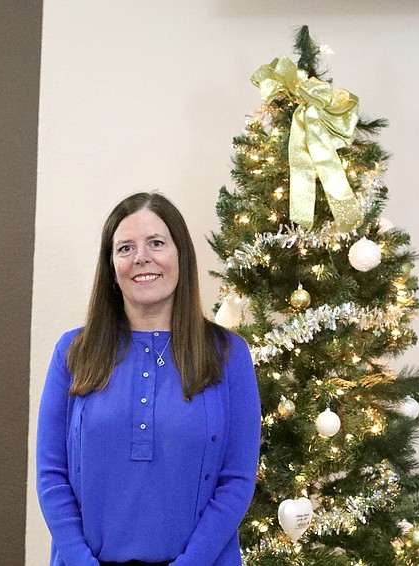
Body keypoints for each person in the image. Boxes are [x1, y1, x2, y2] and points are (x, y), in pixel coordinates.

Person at [36, 192, 261, 566]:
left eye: (156, 243)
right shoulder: (72, 352)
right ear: (112, 267)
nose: (142, 257)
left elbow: (236, 481)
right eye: (125, 247)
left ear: (180, 256)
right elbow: (51, 475)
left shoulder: (229, 355)